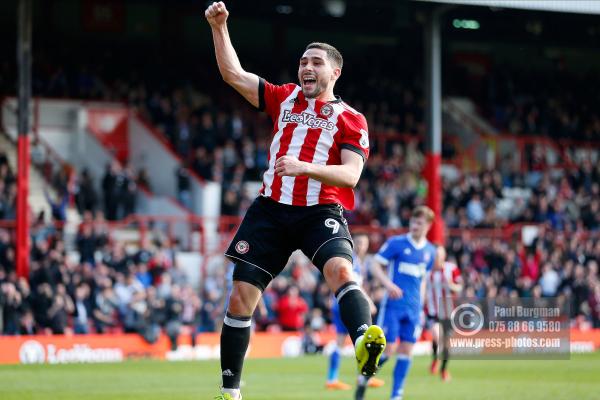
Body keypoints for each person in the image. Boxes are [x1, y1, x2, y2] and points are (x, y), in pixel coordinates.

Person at [205, 2, 385, 399]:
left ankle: (362, 343)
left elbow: (351, 175)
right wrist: (220, 27)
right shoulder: (283, 98)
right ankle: (230, 391)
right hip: (270, 210)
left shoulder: (351, 119)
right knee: (240, 298)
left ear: (334, 72)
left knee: (340, 269)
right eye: (303, 61)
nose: (306, 67)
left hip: (319, 210)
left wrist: (304, 167)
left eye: (316, 62)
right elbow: (233, 74)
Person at [355, 206, 437, 400]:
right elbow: (375, 264)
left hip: (414, 308)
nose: (415, 226)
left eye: (420, 223)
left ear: (428, 226)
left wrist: (422, 306)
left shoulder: (430, 252)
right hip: (393, 306)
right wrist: (388, 285)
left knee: (407, 350)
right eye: (413, 221)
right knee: (388, 349)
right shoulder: (397, 243)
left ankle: (396, 394)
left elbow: (423, 280)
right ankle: (365, 377)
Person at [325, 233, 384, 390]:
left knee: (353, 341)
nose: (361, 246)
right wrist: (368, 301)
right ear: (352, 242)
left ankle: (359, 377)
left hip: (343, 302)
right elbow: (354, 286)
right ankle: (336, 379)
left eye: (364, 243)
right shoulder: (350, 259)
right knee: (354, 339)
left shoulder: (358, 262)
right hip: (345, 304)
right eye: (358, 242)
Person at [423, 246, 462, 382]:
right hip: (433, 311)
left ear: (444, 256)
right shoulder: (427, 271)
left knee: (446, 344)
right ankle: (435, 359)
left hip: (448, 312)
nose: (437, 258)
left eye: (440, 255)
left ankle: (443, 369)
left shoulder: (451, 269)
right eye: (435, 255)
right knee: (436, 335)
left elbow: (459, 286)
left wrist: (452, 286)